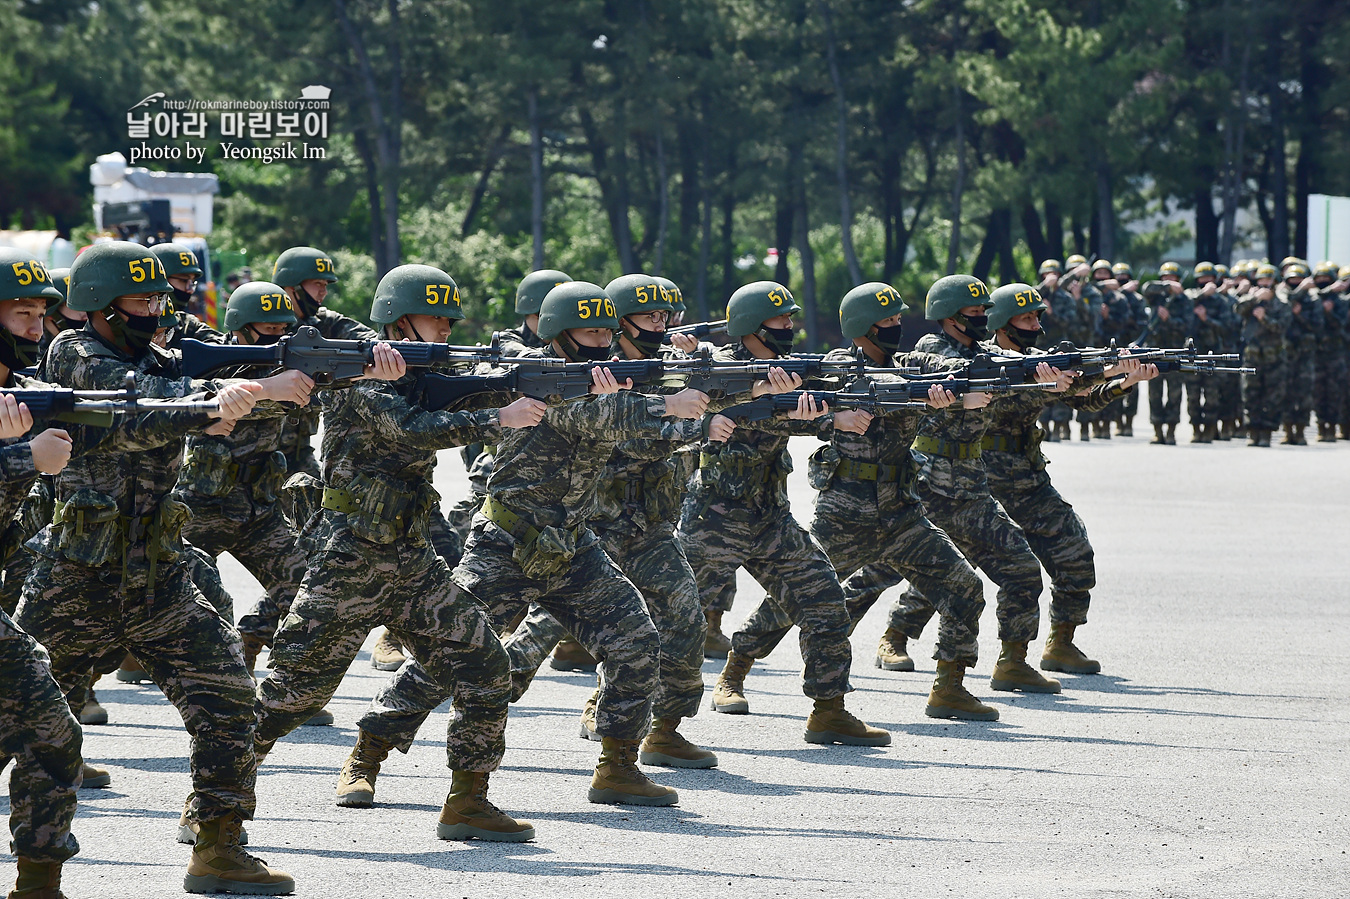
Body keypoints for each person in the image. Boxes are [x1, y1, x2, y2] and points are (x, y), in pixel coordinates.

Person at [14, 240, 300, 894]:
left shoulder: (161, 354)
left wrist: (279, 375)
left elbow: (194, 375)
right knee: (45, 731)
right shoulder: (74, 355)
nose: (155, 310)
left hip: (158, 574)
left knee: (229, 697)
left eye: (157, 299)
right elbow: (134, 408)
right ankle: (37, 872)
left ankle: (218, 843)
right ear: (99, 305)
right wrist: (222, 400)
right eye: (141, 300)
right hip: (77, 576)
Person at [255, 264, 540, 841]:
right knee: (291, 695)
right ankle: (214, 798)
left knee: (486, 666)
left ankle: (468, 803)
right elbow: (410, 428)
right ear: (398, 318)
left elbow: (471, 384)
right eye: (431, 319)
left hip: (413, 560)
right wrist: (497, 418)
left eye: (446, 321)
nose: (440, 330)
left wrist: (523, 378)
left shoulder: (421, 369)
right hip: (351, 556)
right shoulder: (357, 373)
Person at [450, 280, 713, 804]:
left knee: (663, 626)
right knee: (500, 645)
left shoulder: (651, 369)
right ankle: (381, 740)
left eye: (667, 317)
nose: (662, 327)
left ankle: (639, 743)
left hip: (635, 528)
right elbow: (617, 426)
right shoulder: (575, 376)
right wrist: (676, 415)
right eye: (651, 318)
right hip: (577, 528)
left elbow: (698, 399)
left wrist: (710, 390)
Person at [729, 282, 992, 718]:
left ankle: (949, 687)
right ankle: (735, 672)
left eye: (896, 320)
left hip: (902, 513)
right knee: (794, 597)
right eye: (885, 322)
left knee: (964, 585)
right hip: (844, 514)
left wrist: (958, 385)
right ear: (860, 328)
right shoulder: (835, 369)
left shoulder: (912, 365)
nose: (895, 327)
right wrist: (918, 396)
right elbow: (811, 402)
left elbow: (935, 365)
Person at [681, 281, 892, 743]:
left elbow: (816, 399)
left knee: (824, 601)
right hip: (714, 518)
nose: (790, 327)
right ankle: (641, 721)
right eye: (781, 321)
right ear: (753, 328)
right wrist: (798, 409)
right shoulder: (715, 370)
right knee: (672, 618)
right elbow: (709, 410)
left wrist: (831, 410)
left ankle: (829, 709)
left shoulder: (789, 370)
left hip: (770, 516)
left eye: (790, 319)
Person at [881, 275, 1055, 712]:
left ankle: (1008, 663)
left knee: (1020, 569)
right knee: (871, 573)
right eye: (974, 312)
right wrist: (976, 387)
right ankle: (888, 637)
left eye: (984, 312)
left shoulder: (986, 353)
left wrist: (1073, 374)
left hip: (971, 488)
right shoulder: (928, 349)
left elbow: (1007, 365)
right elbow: (945, 375)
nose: (982, 318)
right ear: (950, 316)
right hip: (927, 484)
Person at [980, 282, 1158, 677]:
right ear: (1002, 322)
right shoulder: (980, 361)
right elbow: (1008, 397)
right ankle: (898, 633)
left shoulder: (1041, 361)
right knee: (942, 564)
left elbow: (1081, 398)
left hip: (1026, 476)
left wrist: (1123, 379)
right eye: (1024, 317)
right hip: (978, 478)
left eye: (1036, 316)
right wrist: (1051, 384)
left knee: (1074, 552)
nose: (1033, 323)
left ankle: (1060, 643)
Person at [1235, 263, 1289, 446]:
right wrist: (1253, 299)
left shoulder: (1281, 304)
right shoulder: (1251, 299)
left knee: (1272, 396)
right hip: (1252, 357)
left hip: (1274, 358)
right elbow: (1238, 309)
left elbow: (1282, 327)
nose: (1264, 283)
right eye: (1261, 280)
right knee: (1250, 395)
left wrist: (1264, 318)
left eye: (1268, 280)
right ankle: (1252, 431)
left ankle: (1266, 432)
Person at [1140, 262, 1191, 445]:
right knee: (1154, 392)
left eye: (1172, 278)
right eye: (1165, 278)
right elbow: (1146, 287)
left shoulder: (1183, 300)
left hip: (1174, 352)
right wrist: (1167, 287)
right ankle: (1157, 430)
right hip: (1153, 353)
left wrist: (1169, 319)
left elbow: (1187, 325)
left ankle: (1171, 430)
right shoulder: (1155, 296)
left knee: (1174, 393)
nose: (1168, 281)